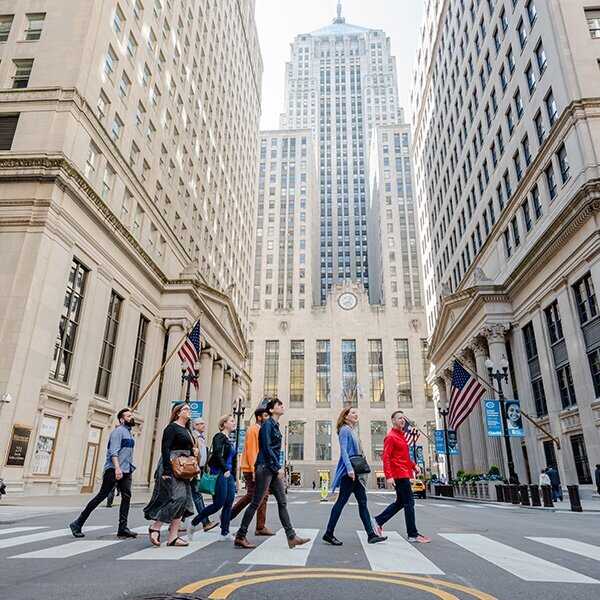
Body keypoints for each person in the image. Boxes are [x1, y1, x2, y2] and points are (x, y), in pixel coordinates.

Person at [234, 398, 309, 550]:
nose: (282, 406)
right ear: (271, 410)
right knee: (256, 502)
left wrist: (276, 467)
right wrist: (277, 467)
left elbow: (273, 450)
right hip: (264, 467)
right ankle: (240, 536)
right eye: (279, 405)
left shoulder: (275, 425)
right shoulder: (267, 425)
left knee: (282, 502)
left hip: (271, 468)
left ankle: (291, 537)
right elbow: (267, 448)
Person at [322, 407, 387, 546]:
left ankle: (371, 535)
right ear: (345, 417)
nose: (356, 414)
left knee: (362, 502)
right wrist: (350, 469)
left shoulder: (353, 430)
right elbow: (344, 451)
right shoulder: (345, 430)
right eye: (352, 413)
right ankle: (328, 533)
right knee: (342, 502)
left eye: (356, 412)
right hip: (350, 472)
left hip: (356, 472)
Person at [70, 408, 137, 539]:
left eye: (131, 416)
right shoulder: (118, 432)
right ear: (122, 419)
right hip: (114, 470)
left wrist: (126, 469)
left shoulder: (128, 433)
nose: (131, 418)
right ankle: (77, 524)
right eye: (129, 416)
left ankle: (122, 528)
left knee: (127, 497)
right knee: (101, 496)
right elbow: (113, 451)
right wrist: (117, 468)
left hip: (126, 470)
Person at [143, 403, 196, 547]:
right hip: (172, 465)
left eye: (189, 409)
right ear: (178, 412)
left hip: (184, 467)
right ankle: (156, 526)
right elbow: (165, 449)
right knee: (176, 498)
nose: (189, 411)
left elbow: (190, 450)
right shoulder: (171, 428)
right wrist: (166, 470)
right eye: (186, 409)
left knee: (184, 500)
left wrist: (192, 469)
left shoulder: (187, 430)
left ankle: (173, 537)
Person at [373, 411, 430, 543]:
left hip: (404, 472)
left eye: (403, 418)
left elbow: (404, 458)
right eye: (399, 418)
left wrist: (414, 465)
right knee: (409, 503)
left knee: (400, 503)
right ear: (393, 421)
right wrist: (389, 476)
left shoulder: (402, 436)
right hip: (399, 474)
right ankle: (412, 534)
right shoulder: (391, 437)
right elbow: (386, 457)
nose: (402, 420)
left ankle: (378, 520)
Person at [188, 415, 238, 541]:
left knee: (229, 502)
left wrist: (234, 477)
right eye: (231, 421)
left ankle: (225, 532)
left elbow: (233, 459)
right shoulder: (219, 437)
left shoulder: (230, 439)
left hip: (229, 475)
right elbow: (217, 454)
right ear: (224, 423)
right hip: (220, 473)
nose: (234, 423)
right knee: (218, 503)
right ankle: (194, 522)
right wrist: (225, 469)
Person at [230, 401, 273, 536]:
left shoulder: (263, 430)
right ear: (259, 417)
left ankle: (260, 526)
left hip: (260, 468)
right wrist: (255, 471)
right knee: (252, 495)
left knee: (263, 496)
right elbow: (252, 451)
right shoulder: (253, 429)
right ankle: (227, 517)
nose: (268, 418)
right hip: (252, 469)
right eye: (266, 415)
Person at [190, 417, 217, 532]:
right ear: (194, 426)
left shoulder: (202, 438)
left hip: (200, 469)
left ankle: (175, 522)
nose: (203, 425)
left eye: (203, 423)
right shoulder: (193, 437)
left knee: (188, 496)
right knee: (197, 495)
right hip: (193, 469)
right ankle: (205, 522)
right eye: (200, 424)